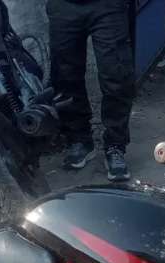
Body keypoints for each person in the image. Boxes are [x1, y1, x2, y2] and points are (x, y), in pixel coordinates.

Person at [47, 0, 136, 182]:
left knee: (116, 73)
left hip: (107, 6)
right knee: (64, 75)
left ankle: (115, 145)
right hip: (63, 6)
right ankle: (79, 139)